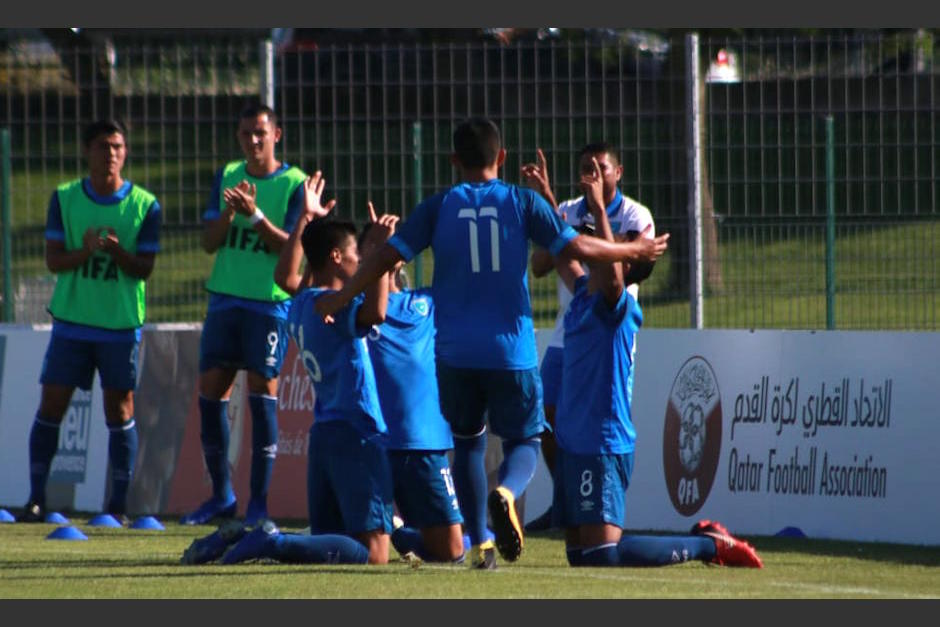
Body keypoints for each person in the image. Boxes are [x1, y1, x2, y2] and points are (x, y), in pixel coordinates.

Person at [313, 117, 670, 569]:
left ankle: (481, 543)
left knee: (467, 444)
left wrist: (344, 295)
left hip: (455, 353)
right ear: (501, 158)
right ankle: (507, 491)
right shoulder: (520, 202)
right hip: (510, 350)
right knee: (527, 438)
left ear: (454, 161)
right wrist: (633, 251)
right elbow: (578, 249)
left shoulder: (438, 207)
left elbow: (386, 255)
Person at [552, 157, 762, 569]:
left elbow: (613, 276)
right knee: (581, 558)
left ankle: (708, 545)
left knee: (602, 558)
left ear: (626, 266)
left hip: (600, 442)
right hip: (574, 443)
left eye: (619, 247)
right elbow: (565, 251)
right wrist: (547, 201)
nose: (602, 241)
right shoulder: (583, 295)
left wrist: (598, 211)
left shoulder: (616, 306)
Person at [21, 118, 162, 525]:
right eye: (103, 146)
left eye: (118, 146)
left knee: (120, 409)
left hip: (119, 325)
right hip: (72, 323)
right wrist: (84, 253)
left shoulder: (144, 205)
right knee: (52, 404)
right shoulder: (65, 198)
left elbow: (144, 269)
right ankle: (35, 499)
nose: (111, 153)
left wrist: (116, 253)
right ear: (88, 152)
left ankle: (118, 506)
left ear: (126, 152)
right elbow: (53, 260)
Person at [181, 103, 307, 526]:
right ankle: (221, 497)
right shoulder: (227, 176)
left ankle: (259, 503)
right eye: (246, 135)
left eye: (260, 133)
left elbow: (288, 246)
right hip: (225, 299)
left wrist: (254, 215)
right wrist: (230, 213)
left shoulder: (294, 183)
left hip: (268, 303)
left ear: (277, 135)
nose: (253, 141)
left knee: (261, 390)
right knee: (211, 392)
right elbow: (209, 242)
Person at [522, 143, 655, 531]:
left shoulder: (633, 214)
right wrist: (558, 217)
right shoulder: (570, 208)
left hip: (608, 329)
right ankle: (566, 497)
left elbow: (629, 266)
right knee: (544, 417)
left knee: (600, 422)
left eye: (600, 168)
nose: (592, 175)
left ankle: (598, 506)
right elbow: (542, 263)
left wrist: (587, 234)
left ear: (620, 172)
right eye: (585, 168)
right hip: (571, 328)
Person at [357, 218, 465, 565]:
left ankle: (399, 529)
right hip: (372, 443)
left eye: (393, 246)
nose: (386, 252)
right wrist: (374, 251)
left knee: (452, 551)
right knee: (369, 552)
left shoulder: (427, 302)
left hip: (424, 441)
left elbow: (464, 274)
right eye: (375, 247)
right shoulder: (353, 305)